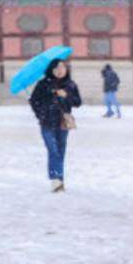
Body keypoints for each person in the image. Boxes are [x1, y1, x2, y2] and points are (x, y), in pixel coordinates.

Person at [28, 56, 81, 192]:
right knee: (53, 150)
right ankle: (56, 180)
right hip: (47, 122)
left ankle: (59, 180)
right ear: (51, 70)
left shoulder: (70, 85)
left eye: (63, 67)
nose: (60, 70)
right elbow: (34, 100)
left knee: (61, 151)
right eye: (56, 67)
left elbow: (77, 102)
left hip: (63, 123)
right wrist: (40, 113)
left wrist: (66, 96)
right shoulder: (43, 84)